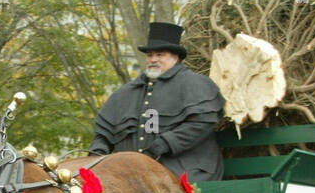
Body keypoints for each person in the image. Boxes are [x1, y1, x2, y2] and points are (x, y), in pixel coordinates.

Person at [91, 20, 226, 182]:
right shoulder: (125, 93)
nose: (153, 59)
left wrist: (164, 144)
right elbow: (103, 134)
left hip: (184, 168)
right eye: (150, 55)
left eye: (160, 55)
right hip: (129, 175)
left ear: (175, 57)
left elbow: (201, 122)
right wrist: (97, 155)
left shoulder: (196, 84)